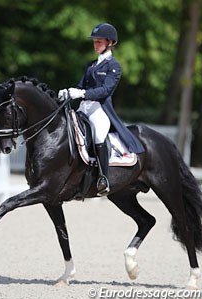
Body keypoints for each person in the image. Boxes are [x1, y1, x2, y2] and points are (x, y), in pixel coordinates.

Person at [58, 23, 144, 196]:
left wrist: (82, 93)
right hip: (84, 108)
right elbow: (80, 86)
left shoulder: (114, 66)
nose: (95, 44)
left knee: (98, 134)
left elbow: (106, 90)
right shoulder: (91, 65)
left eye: (99, 42)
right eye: (94, 41)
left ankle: (103, 178)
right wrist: (68, 92)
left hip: (100, 109)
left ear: (110, 43)